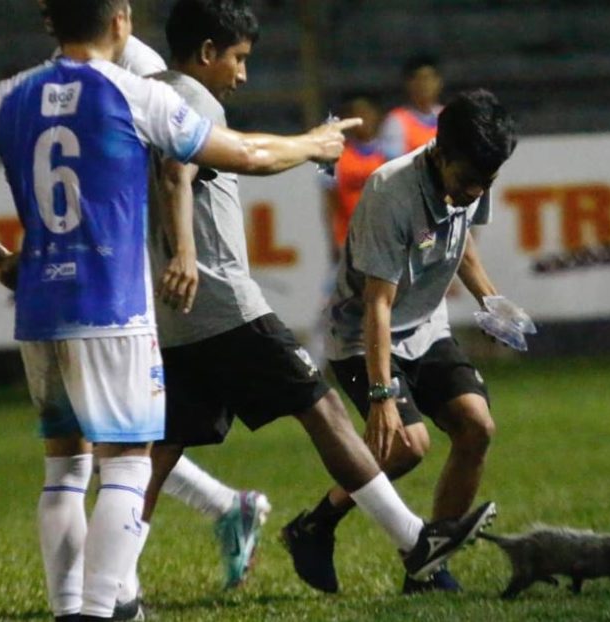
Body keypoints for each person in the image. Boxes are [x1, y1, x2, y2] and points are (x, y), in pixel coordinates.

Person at [0, 1, 363, 619]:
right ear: (120, 19)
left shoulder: (5, 97)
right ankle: (100, 612)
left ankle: (70, 608)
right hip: (112, 309)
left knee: (65, 472)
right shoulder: (134, 92)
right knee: (125, 465)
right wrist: (313, 143)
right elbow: (247, 156)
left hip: (41, 307)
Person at [139, 0, 496, 601]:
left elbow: (207, 158)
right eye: (238, 58)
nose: (243, 74)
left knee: (160, 449)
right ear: (205, 53)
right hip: (224, 300)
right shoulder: (192, 100)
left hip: (176, 313)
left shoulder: (147, 96)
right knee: (321, 407)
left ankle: (105, 581)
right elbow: (226, 160)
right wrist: (309, 144)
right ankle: (414, 541)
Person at [38, 0, 273, 591]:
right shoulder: (65, 65)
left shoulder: (138, 65)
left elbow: (175, 164)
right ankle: (219, 511)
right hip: (99, 267)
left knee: (109, 440)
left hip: (130, 271)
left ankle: (121, 590)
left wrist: (178, 252)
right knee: (111, 436)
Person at [283, 90, 518, 595]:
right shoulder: (391, 193)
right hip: (360, 336)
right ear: (440, 151)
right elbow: (377, 305)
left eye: (486, 183)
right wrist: (381, 396)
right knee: (407, 447)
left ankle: (428, 565)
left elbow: (463, 242)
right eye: (467, 182)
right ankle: (314, 526)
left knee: (477, 428)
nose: (475, 192)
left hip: (426, 326)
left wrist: (490, 301)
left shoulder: (474, 172)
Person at [325, 94, 386, 261]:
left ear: (376, 115)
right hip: (349, 240)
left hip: (385, 238)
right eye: (355, 114)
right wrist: (332, 241)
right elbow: (329, 204)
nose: (362, 119)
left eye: (366, 113)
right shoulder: (333, 156)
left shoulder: (390, 154)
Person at [378, 54, 444, 159]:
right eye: (418, 79)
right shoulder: (396, 120)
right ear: (408, 84)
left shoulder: (448, 115)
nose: (424, 84)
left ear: (439, 82)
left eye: (428, 78)